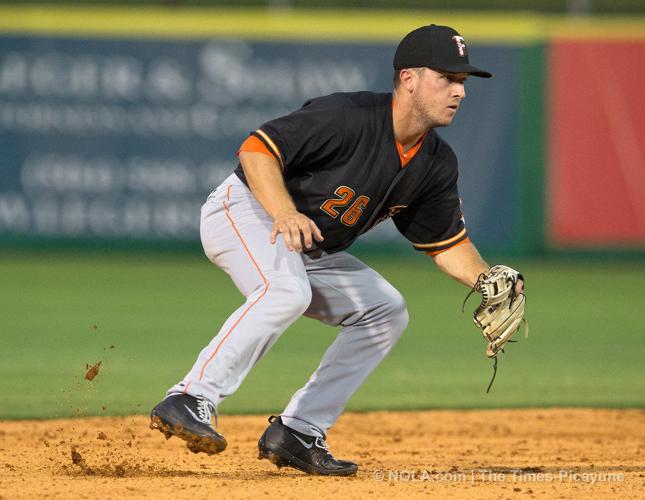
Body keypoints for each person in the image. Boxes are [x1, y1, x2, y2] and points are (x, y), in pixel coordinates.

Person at [150, 24, 515, 476]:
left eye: (462, 81)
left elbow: (448, 244)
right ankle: (190, 396)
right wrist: (283, 212)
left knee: (386, 310)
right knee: (286, 291)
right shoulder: (349, 116)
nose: (459, 90)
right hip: (245, 209)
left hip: (307, 244)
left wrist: (487, 279)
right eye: (447, 77)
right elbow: (257, 149)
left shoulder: (436, 163)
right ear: (409, 79)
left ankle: (299, 432)